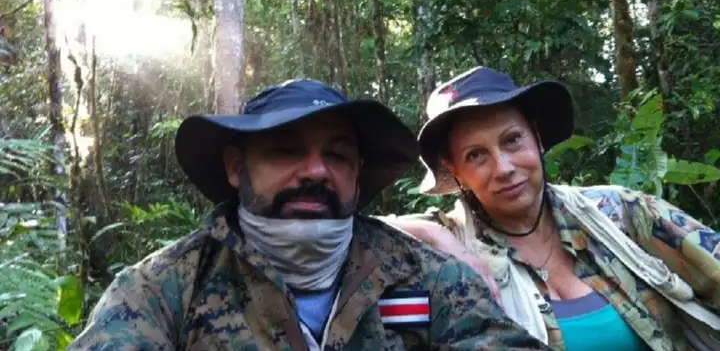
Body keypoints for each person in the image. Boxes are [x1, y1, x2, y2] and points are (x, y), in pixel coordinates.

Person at [67, 79, 550, 351]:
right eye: (286, 150)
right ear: (236, 167)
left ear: (357, 173)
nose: (316, 171)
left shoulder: (424, 275)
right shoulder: (163, 289)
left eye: (337, 155)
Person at [388, 67, 720, 351]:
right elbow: (358, 235)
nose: (503, 168)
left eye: (512, 140)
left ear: (537, 137)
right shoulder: (445, 249)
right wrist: (431, 232)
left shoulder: (616, 213)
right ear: (455, 170)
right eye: (476, 155)